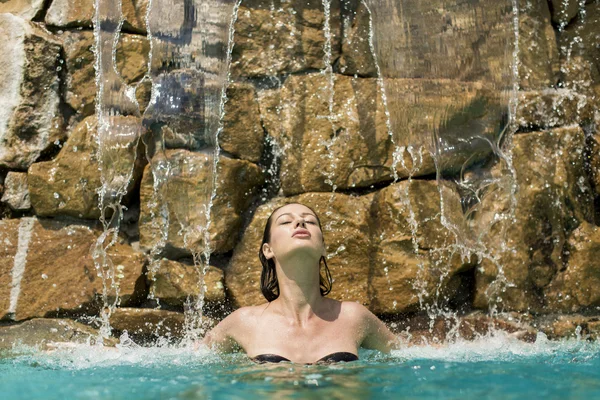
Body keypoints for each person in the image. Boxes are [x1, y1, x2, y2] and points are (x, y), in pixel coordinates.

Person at [202, 203, 400, 364]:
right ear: (267, 250)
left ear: (323, 247)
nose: (300, 222)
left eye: (310, 221)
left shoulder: (354, 317)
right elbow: (189, 359)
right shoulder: (244, 322)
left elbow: (410, 355)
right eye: (286, 221)